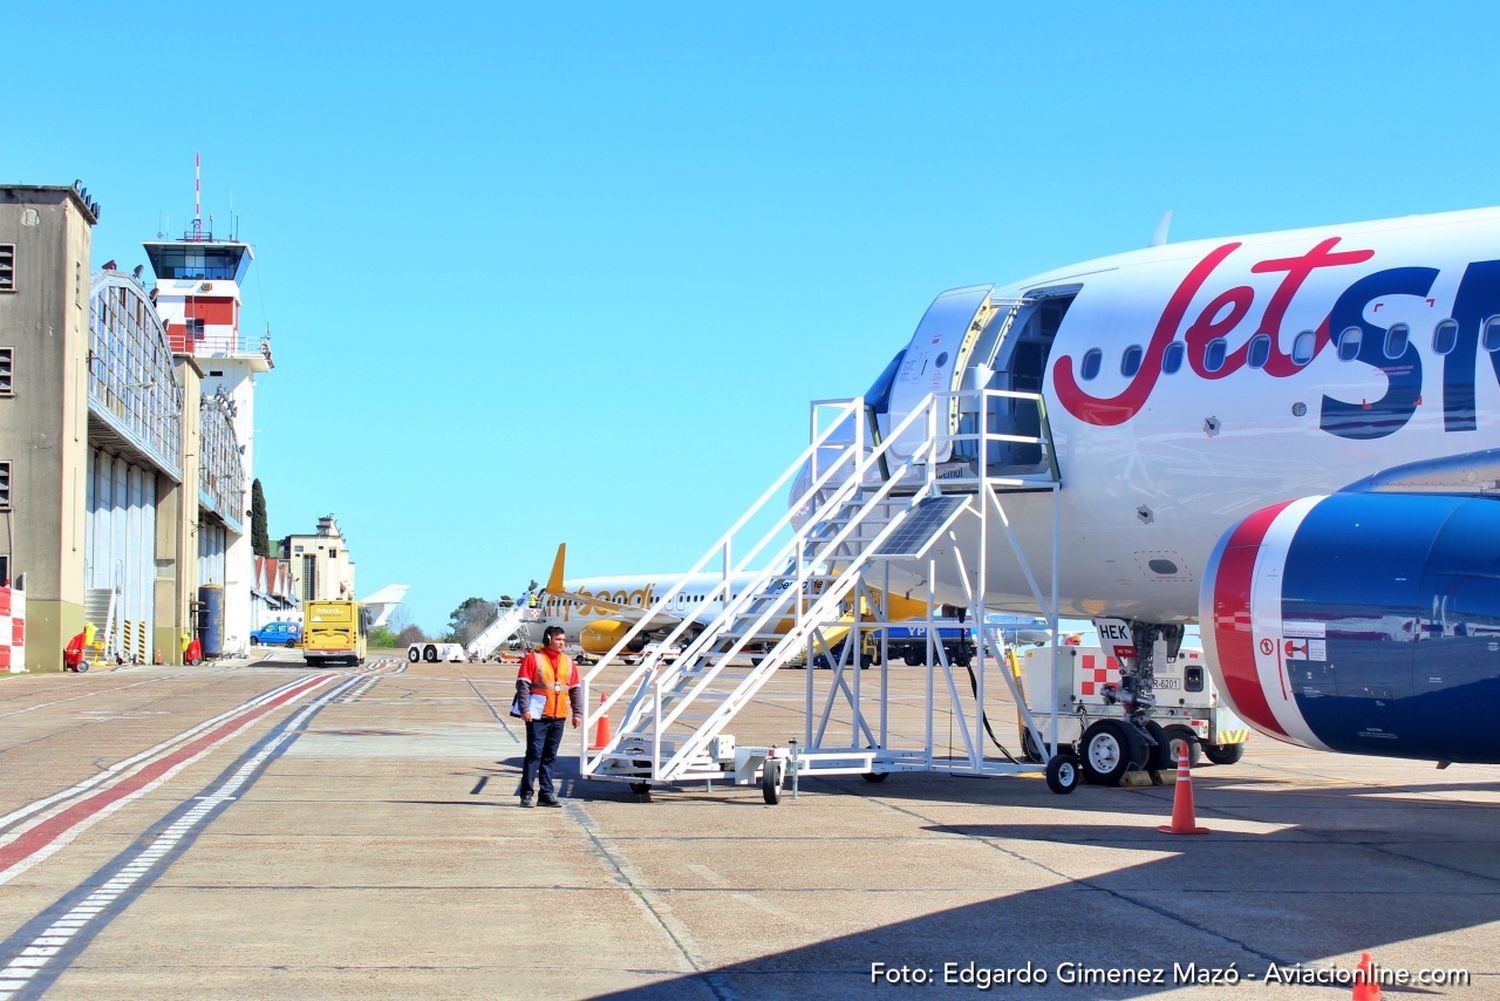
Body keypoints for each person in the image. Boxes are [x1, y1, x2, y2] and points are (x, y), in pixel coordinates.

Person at [515, 625, 581, 807]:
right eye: (558, 639)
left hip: (558, 716)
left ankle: (546, 793)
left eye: (563, 640)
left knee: (550, 756)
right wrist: (525, 709)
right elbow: (523, 685)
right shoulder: (533, 658)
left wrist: (578, 712)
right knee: (534, 754)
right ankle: (526, 794)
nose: (562, 643)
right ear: (548, 639)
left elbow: (575, 689)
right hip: (537, 716)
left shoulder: (568, 661)